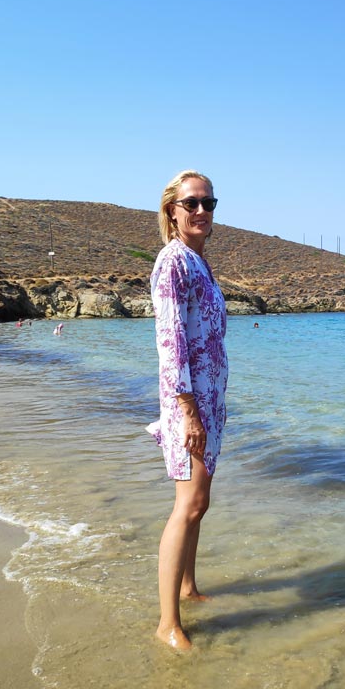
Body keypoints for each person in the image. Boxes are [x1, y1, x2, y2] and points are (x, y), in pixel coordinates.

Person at [146, 170, 228, 650]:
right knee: (189, 504)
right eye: (191, 203)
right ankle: (166, 624)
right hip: (189, 403)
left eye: (209, 203)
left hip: (209, 402)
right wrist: (189, 410)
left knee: (201, 503)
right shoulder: (172, 261)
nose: (201, 211)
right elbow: (170, 342)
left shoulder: (200, 262)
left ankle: (187, 586)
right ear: (171, 211)